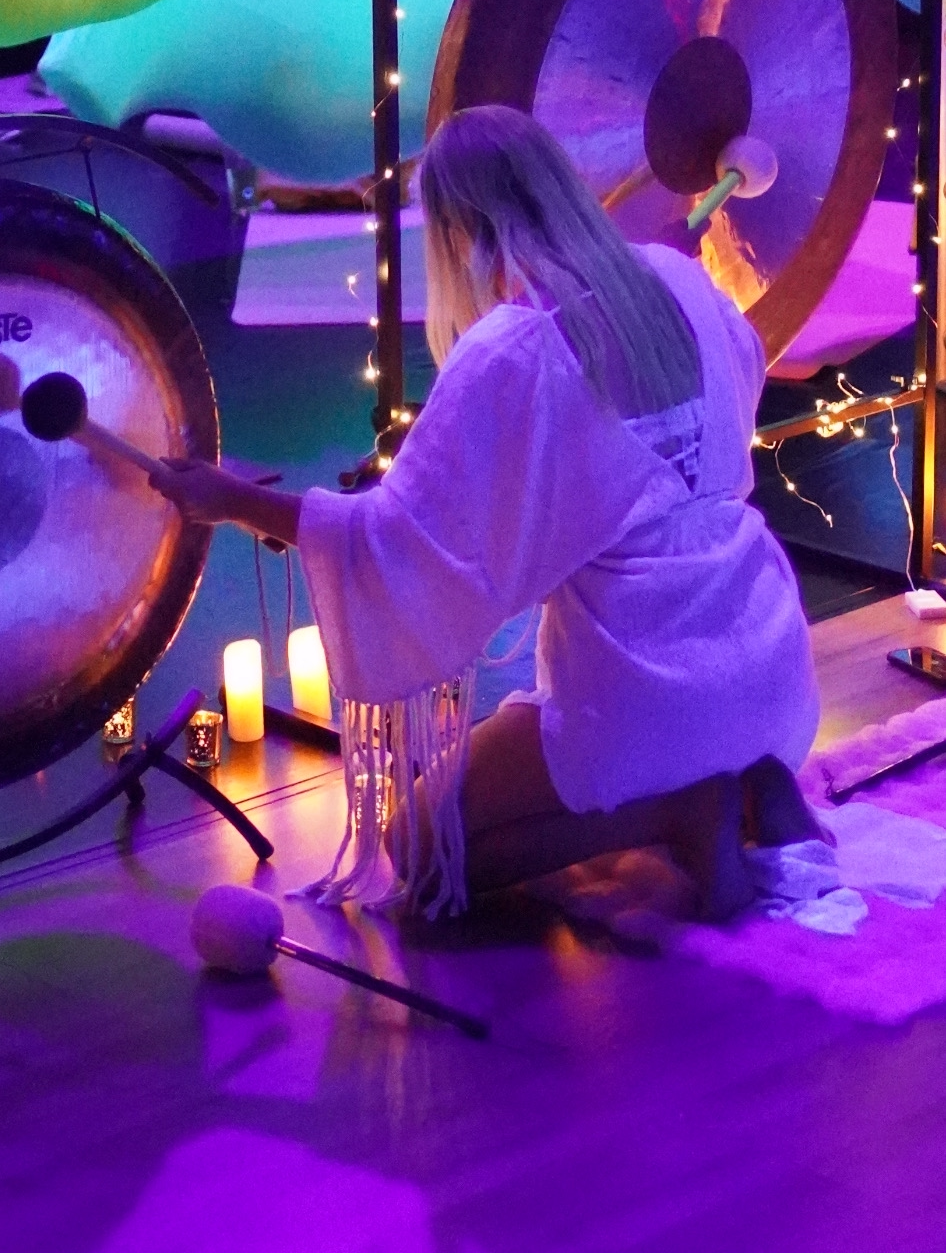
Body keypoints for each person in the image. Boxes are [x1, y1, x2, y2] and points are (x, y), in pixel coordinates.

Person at [149, 105, 827, 925]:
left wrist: (229, 499)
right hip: (771, 657)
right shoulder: (682, 279)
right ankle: (753, 779)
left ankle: (678, 812)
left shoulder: (515, 348)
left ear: (458, 230)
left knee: (420, 850)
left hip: (653, 689)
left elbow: (392, 541)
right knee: (571, 775)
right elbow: (729, 407)